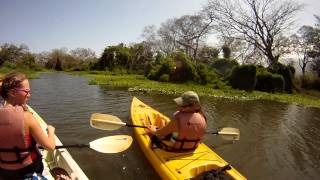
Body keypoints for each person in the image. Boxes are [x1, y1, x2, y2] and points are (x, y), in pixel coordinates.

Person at [0, 72, 56, 180]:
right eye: (27, 91)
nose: (29, 95)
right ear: (12, 92)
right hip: (28, 171)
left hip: (4, 173)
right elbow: (50, 146)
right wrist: (51, 131)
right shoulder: (27, 117)